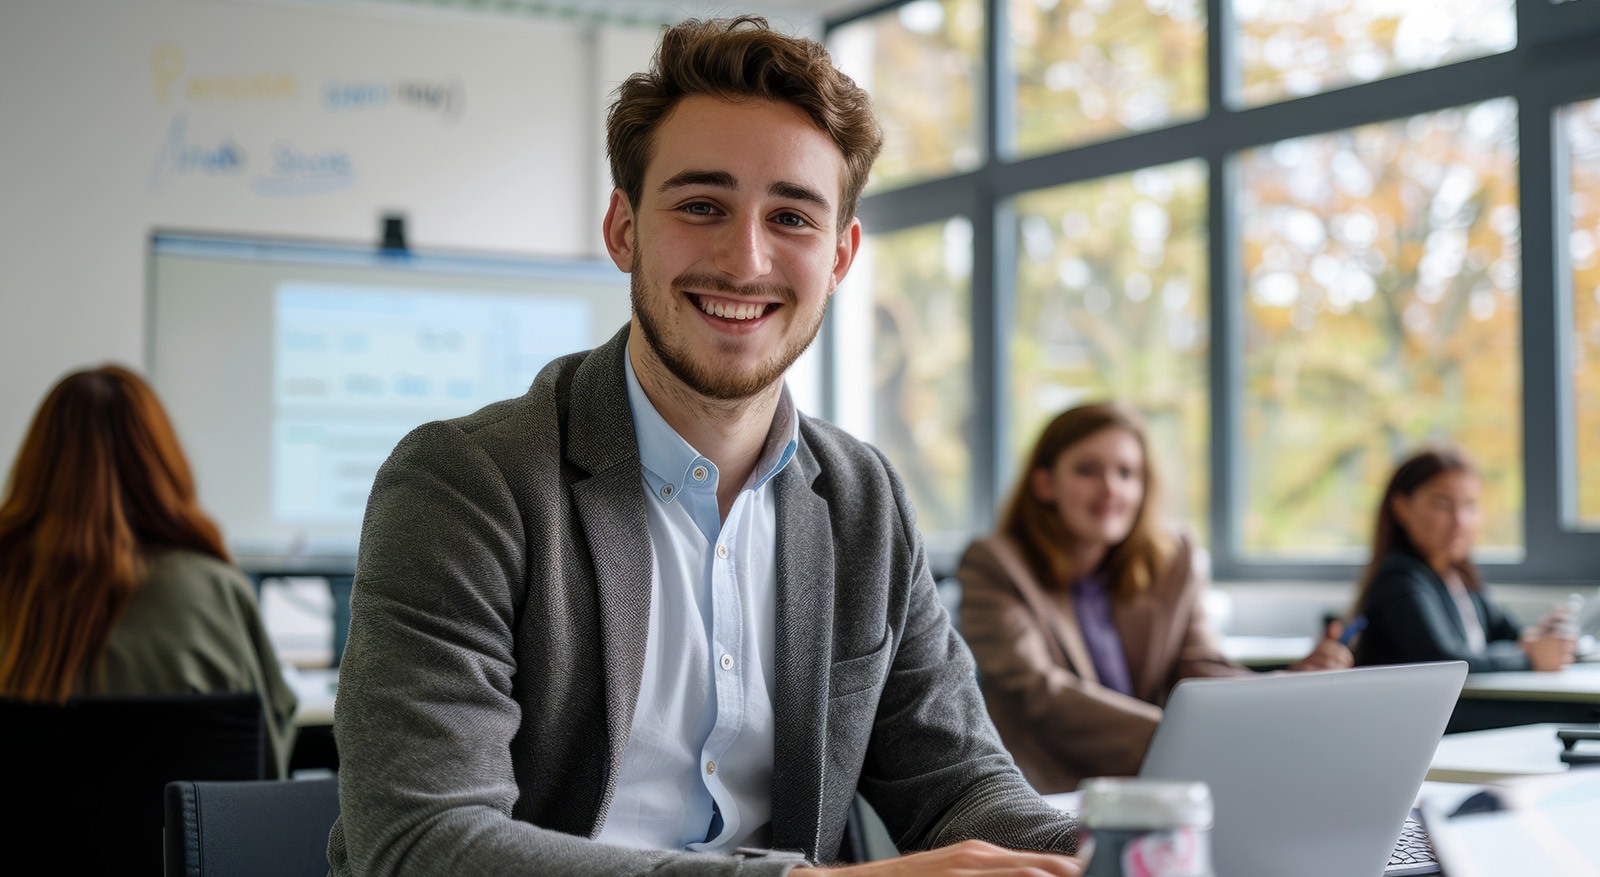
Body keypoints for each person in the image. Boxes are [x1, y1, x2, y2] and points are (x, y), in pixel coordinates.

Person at [326, 16, 1080, 877]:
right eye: (700, 206)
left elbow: (956, 784)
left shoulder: (862, 498)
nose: (745, 259)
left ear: (839, 256)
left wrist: (1115, 850)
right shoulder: (466, 483)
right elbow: (424, 842)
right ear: (623, 229)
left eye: (791, 216)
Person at [957, 402, 1351, 794]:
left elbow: (1199, 670)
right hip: (1054, 794)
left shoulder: (1175, 557)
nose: (1111, 487)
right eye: (1088, 470)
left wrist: (1286, 689)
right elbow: (1039, 691)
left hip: (1167, 789)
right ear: (1045, 483)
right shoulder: (994, 564)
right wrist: (1181, 740)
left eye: (1127, 473)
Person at [0, 365, 298, 776]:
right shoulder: (214, 593)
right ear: (161, 465)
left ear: (37, 468)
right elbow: (266, 773)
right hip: (177, 842)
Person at [1351, 447, 1576, 673]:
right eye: (1443, 504)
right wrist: (1528, 659)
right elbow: (1444, 661)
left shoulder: (1459, 577)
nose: (1460, 521)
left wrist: (1544, 636)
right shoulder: (1399, 581)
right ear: (1401, 507)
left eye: (1470, 505)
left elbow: (1507, 634)